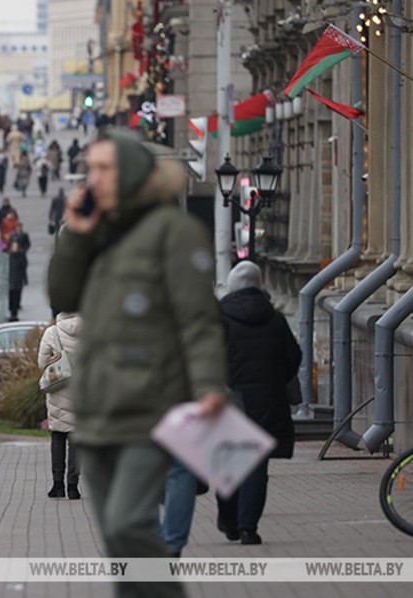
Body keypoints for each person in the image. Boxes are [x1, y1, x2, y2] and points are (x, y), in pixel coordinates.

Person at [48, 128, 227, 598]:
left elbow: (199, 320)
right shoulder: (95, 233)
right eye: (91, 169)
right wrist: (75, 236)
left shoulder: (174, 232)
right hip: (97, 408)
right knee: (117, 542)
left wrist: (209, 386)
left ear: (130, 172)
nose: (95, 178)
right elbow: (63, 296)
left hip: (153, 405)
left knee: (130, 523)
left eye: (105, 168)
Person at [216, 260, 300, 545]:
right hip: (267, 401)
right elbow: (293, 358)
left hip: (229, 401)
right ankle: (248, 527)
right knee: (256, 466)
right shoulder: (276, 319)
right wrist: (275, 380)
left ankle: (228, 519)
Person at [38, 313, 82, 499]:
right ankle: (73, 487)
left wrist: (53, 361)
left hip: (58, 388)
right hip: (82, 389)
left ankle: (57, 485)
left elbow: (41, 363)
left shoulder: (52, 332)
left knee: (58, 435)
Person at [8, 240, 27, 321]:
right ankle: (12, 312)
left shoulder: (21, 256)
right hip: (10, 279)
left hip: (17, 280)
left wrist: (25, 279)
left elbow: (23, 268)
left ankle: (14, 314)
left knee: (16, 296)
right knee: (11, 297)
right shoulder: (9, 256)